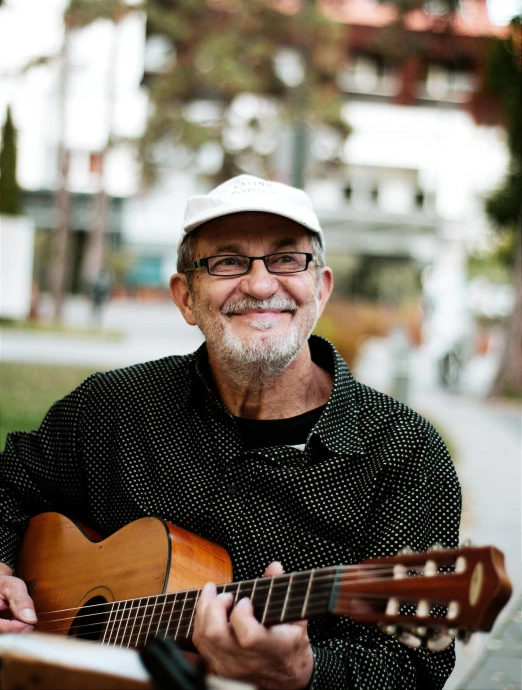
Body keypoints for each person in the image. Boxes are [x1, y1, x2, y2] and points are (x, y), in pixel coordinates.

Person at [0, 174, 461, 690]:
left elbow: (415, 666)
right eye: (228, 261)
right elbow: (9, 484)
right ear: (186, 297)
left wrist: (303, 673)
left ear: (321, 288)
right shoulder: (110, 409)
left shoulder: (403, 453)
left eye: (287, 259)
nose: (262, 285)